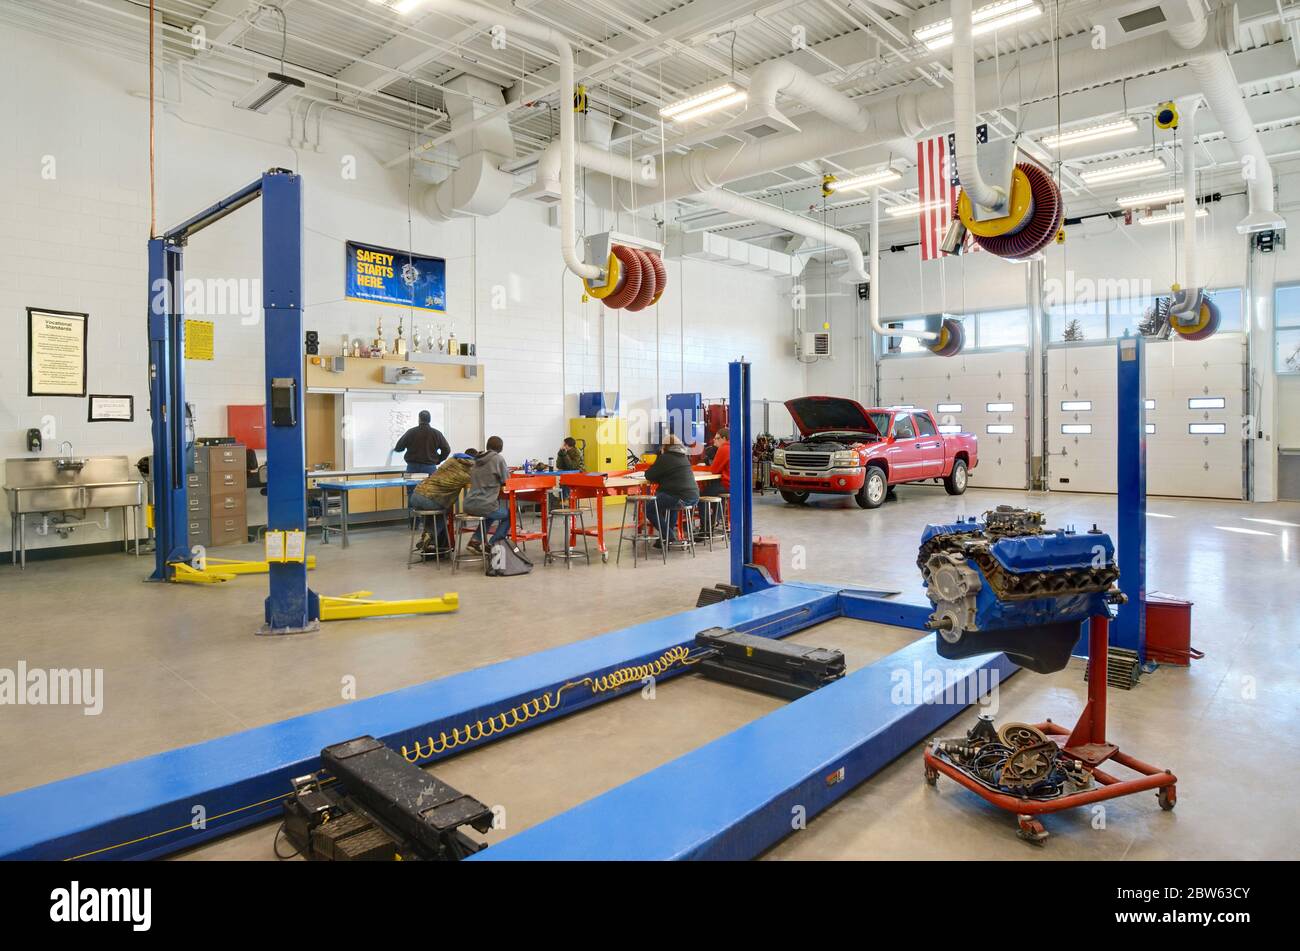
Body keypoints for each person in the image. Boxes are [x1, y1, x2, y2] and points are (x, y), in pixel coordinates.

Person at [410, 452, 474, 554]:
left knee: (433, 513)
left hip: (416, 495)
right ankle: (430, 535)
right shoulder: (470, 470)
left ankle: (429, 542)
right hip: (430, 499)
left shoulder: (451, 461)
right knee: (445, 511)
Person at [643, 434, 699, 550]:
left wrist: (661, 455)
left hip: (679, 496)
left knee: (649, 509)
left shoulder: (666, 458)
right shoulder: (684, 457)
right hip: (693, 496)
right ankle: (665, 538)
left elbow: (649, 474)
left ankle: (668, 535)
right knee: (670, 503)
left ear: (665, 447)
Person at [463, 436, 511, 551]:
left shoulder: (476, 459)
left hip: (469, 504)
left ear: (487, 446)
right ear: (500, 448)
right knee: (510, 515)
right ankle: (493, 544)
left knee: (491, 513)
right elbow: (507, 481)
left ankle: (475, 540)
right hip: (485, 505)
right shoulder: (498, 459)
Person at [394, 410, 450, 477]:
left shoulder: (410, 432)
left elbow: (398, 448)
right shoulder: (437, 433)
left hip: (412, 468)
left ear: (419, 419)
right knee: (430, 487)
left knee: (412, 487)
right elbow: (447, 449)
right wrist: (438, 460)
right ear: (429, 420)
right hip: (430, 468)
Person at [698, 430, 731, 541]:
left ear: (724, 438)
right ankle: (712, 524)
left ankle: (705, 530)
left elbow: (714, 469)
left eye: (717, 438)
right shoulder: (734, 447)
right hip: (734, 486)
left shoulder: (724, 448)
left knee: (700, 497)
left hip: (726, 484)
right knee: (714, 496)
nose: (714, 440)